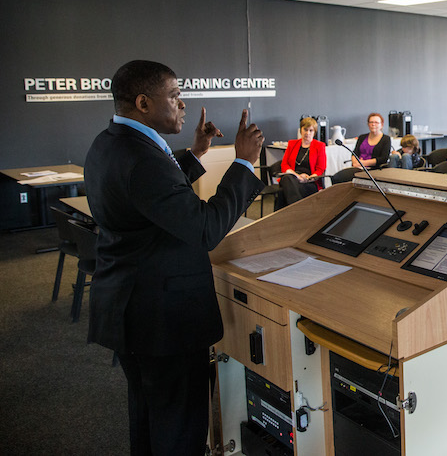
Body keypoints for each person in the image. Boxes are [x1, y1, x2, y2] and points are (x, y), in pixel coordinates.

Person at [83, 60, 265, 455]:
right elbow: (205, 229)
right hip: (161, 318)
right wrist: (243, 162)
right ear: (144, 103)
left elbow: (149, 198)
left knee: (149, 417)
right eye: (175, 96)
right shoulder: (144, 158)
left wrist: (197, 153)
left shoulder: (111, 141)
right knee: (179, 428)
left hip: (130, 307)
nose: (183, 104)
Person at [276, 117, 327, 209]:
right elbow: (284, 165)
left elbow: (320, 169)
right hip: (293, 177)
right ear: (300, 130)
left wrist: (307, 179)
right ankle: (298, 209)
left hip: (310, 180)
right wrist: (297, 176)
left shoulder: (319, 146)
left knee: (282, 191)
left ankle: (289, 212)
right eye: (305, 129)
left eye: (311, 130)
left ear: (314, 132)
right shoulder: (292, 144)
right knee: (287, 179)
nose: (307, 133)